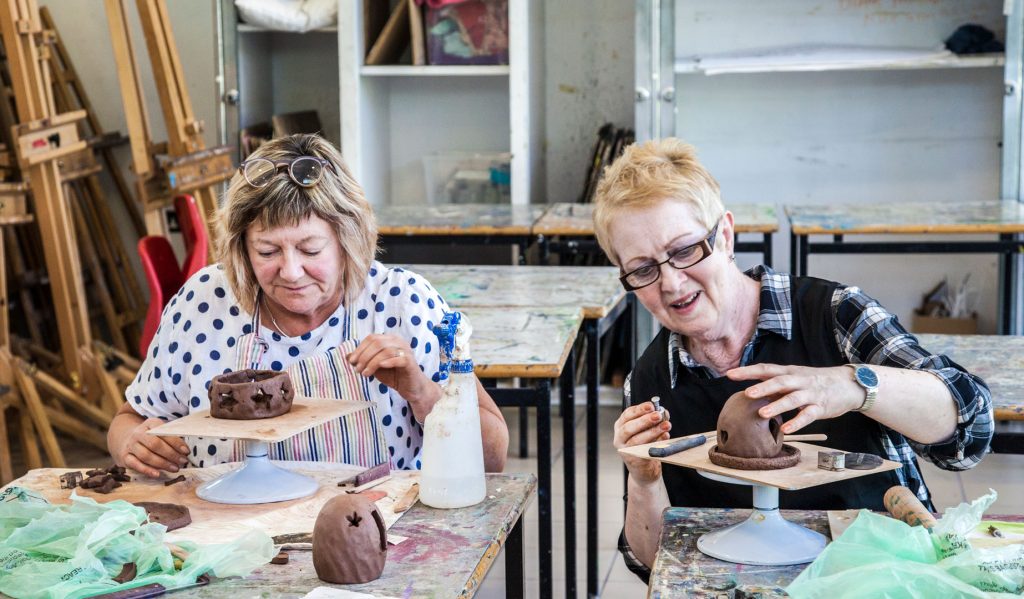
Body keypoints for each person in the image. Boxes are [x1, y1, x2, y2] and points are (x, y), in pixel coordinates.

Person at [593, 138, 993, 579]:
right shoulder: (651, 381)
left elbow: (970, 433)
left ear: (724, 236)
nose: (670, 283)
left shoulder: (834, 316)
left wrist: (856, 386)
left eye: (685, 249)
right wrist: (644, 479)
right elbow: (651, 564)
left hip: (879, 575)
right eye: (644, 269)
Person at [109, 133, 508, 478]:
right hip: (230, 541)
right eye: (267, 251)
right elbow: (128, 420)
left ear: (346, 239)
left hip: (377, 538)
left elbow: (493, 457)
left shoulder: (401, 303)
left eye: (309, 248)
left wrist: (421, 392)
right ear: (242, 250)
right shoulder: (203, 303)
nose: (292, 271)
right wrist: (132, 443)